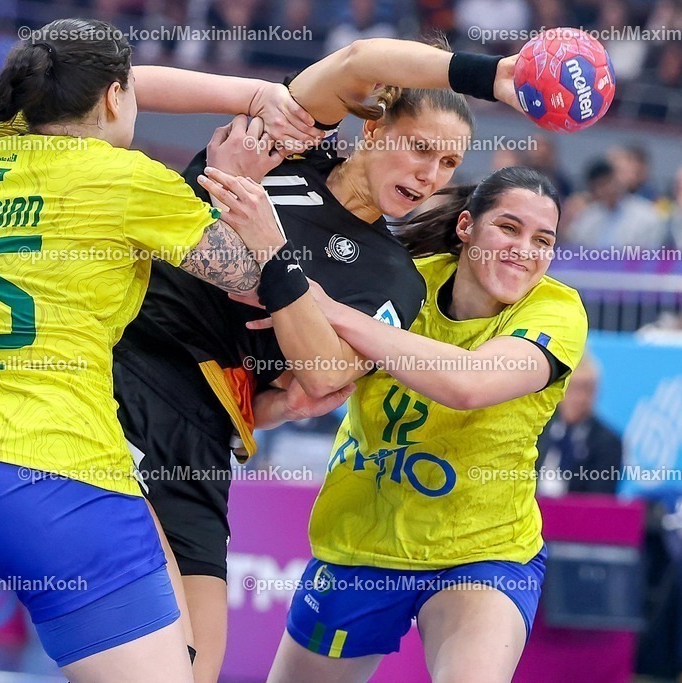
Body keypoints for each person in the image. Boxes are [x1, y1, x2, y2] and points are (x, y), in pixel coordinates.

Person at [0, 18, 317, 683]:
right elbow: (252, 282)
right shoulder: (129, 179)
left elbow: (104, 82)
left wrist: (252, 95)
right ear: (112, 97)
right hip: (52, 472)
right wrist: (235, 186)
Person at [116, 37, 526, 682]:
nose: (430, 176)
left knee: (195, 669)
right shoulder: (293, 146)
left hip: (207, 435)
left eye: (448, 163)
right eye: (420, 148)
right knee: (143, 649)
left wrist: (276, 269)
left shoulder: (395, 276)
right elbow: (359, 62)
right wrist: (495, 75)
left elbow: (327, 372)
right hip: (127, 379)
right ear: (373, 128)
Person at [206, 165, 586, 682]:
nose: (525, 249)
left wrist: (329, 309)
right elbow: (292, 384)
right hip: (360, 543)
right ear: (466, 226)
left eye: (543, 239)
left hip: (483, 551)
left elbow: (469, 383)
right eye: (509, 228)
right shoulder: (401, 278)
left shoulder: (557, 309)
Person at [536, 353, 624, 496]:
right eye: (574, 388)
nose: (580, 398)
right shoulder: (539, 431)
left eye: (587, 389)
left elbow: (599, 500)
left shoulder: (608, 442)